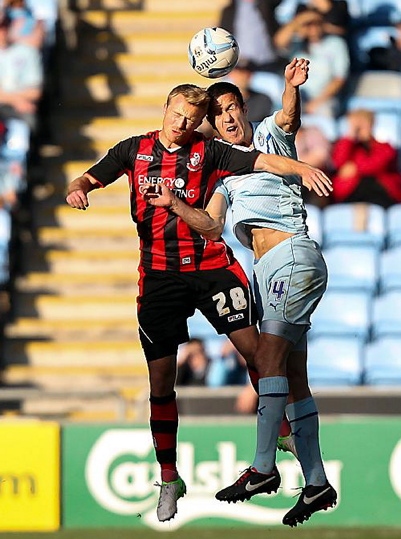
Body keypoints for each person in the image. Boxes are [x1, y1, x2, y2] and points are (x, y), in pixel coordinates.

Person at [65, 83, 332, 524]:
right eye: (178, 114)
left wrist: (300, 168)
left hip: (213, 269)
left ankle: (275, 445)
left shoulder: (209, 153)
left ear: (199, 121)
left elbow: (264, 156)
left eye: (191, 118)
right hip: (159, 278)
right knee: (161, 382)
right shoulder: (134, 150)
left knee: (261, 354)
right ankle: (170, 478)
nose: (182, 123)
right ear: (166, 108)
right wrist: (78, 189)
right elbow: (89, 177)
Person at [144, 62, 336, 527]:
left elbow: (289, 116)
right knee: (293, 377)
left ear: (245, 110)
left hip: (291, 255)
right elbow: (211, 226)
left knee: (267, 360)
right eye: (220, 113)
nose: (229, 118)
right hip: (266, 269)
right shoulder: (223, 174)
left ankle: (263, 468)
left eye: (233, 108)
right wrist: (176, 205)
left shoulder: (270, 136)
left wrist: (290, 88)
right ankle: (315, 483)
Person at [273, 7, 350, 117]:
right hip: (296, 95)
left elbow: (339, 78)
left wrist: (316, 103)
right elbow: (278, 42)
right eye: (308, 24)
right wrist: (299, 21)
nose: (313, 28)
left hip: (324, 100)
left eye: (317, 23)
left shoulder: (336, 44)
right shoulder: (296, 43)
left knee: (324, 114)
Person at [331, 108, 401, 208]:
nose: (359, 129)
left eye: (362, 125)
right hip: (351, 192)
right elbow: (338, 162)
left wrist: (355, 168)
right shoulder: (347, 146)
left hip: (381, 192)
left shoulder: (385, 147)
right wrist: (351, 136)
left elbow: (376, 165)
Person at [0, 13, 43, 130]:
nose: (1, 31)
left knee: (30, 120)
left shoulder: (27, 52)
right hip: (17, 103)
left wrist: (11, 100)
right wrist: (16, 100)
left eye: (4, 26)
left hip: (19, 109)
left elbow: (35, 92)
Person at [219, 0, 287, 73]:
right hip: (239, 69)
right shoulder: (229, 11)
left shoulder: (271, 6)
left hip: (269, 66)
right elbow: (222, 43)